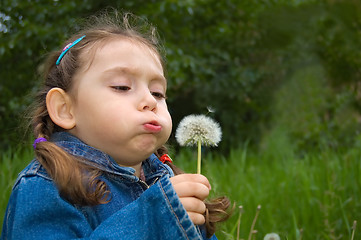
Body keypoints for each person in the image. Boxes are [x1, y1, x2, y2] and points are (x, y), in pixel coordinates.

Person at [1, 10, 230, 240]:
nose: (150, 101)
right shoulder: (46, 188)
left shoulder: (165, 178)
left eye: (158, 93)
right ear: (65, 109)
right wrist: (151, 220)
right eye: (122, 87)